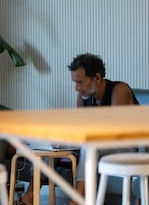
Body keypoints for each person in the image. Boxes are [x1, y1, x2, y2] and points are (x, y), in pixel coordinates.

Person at [18, 53, 138, 205]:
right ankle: (30, 195)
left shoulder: (119, 89)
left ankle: (78, 200)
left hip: (126, 146)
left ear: (97, 78)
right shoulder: (84, 96)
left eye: (80, 82)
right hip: (96, 144)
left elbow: (114, 130)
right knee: (52, 146)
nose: (77, 88)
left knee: (91, 146)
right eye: (75, 82)